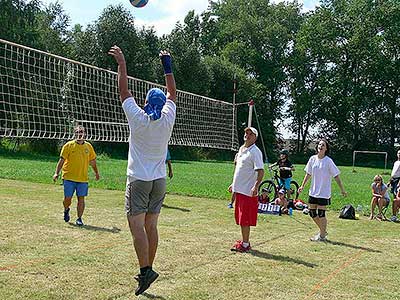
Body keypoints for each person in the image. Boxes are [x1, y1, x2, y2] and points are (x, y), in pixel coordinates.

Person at [108, 45, 176, 296]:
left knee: (136, 226)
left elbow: (123, 91)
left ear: (146, 102)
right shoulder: (168, 118)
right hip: (158, 180)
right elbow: (173, 93)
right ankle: (148, 269)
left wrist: (122, 64)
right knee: (151, 226)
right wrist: (167, 65)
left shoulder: (138, 117)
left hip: (138, 179)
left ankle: (145, 269)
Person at [298, 139, 347, 242]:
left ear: (326, 148)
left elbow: (336, 176)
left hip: (323, 192)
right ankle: (323, 231)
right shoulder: (312, 159)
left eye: (323, 145)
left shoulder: (328, 161)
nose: (320, 146)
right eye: (319, 144)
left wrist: (342, 189)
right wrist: (302, 186)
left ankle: (322, 236)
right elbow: (308, 174)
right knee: (312, 213)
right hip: (313, 191)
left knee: (321, 213)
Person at [52, 125, 100, 226]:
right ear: (75, 134)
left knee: (81, 198)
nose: (79, 134)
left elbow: (93, 161)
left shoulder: (88, 147)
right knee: (67, 199)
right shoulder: (68, 146)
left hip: (82, 178)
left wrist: (96, 173)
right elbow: (61, 160)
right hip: (68, 177)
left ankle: (79, 218)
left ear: (85, 134)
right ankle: (66, 209)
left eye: (81, 132)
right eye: (77, 132)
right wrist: (56, 173)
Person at [228, 127, 264, 252]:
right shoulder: (242, 149)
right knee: (240, 218)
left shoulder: (255, 152)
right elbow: (239, 170)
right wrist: (234, 184)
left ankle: (245, 244)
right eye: (246, 133)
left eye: (250, 134)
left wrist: (256, 186)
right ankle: (244, 241)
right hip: (240, 190)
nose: (247, 135)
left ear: (255, 137)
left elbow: (260, 171)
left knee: (245, 219)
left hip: (248, 191)